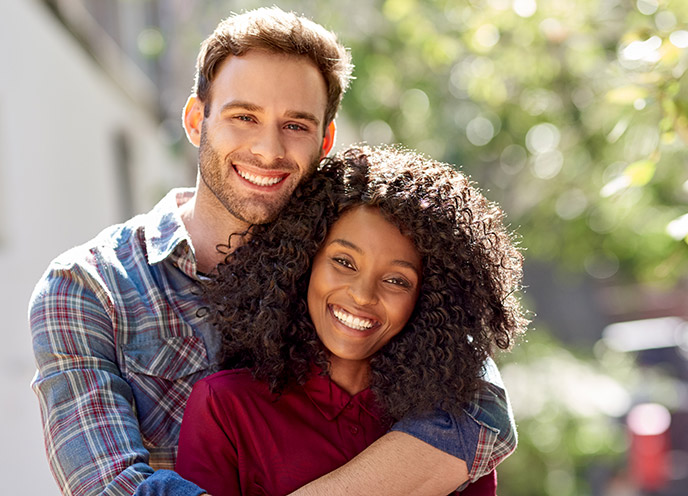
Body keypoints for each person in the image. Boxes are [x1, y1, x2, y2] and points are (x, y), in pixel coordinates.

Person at [29, 7, 517, 496]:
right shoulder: (90, 287)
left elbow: (479, 409)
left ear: (324, 140)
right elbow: (111, 486)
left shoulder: (343, 266)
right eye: (244, 116)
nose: (268, 149)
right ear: (197, 120)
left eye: (296, 125)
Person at [175, 145, 528, 496]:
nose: (363, 295)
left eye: (396, 281)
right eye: (344, 261)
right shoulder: (224, 407)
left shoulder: (451, 432)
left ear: (429, 299)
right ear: (304, 259)